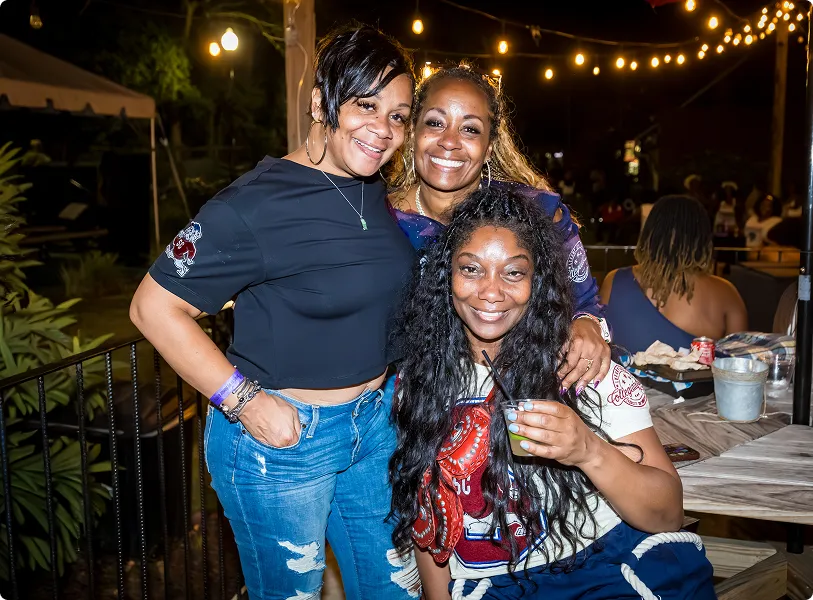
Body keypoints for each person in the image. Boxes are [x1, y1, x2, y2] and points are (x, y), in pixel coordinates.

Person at [130, 25, 420, 600]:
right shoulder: (255, 202)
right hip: (284, 443)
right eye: (367, 105)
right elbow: (151, 307)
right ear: (321, 102)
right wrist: (242, 400)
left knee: (392, 590)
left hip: (372, 430)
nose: (383, 130)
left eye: (399, 115)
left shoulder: (372, 192)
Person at [389, 187, 716, 600]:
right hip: (492, 586)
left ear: (536, 282)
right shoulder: (419, 384)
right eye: (471, 269)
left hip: (605, 573)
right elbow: (429, 522)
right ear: (446, 277)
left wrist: (587, 450)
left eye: (513, 272)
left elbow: (668, 513)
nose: (491, 292)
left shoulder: (583, 370)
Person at [387, 64, 611, 393]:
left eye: (470, 130)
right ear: (412, 133)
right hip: (404, 408)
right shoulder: (377, 221)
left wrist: (587, 325)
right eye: (435, 123)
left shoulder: (536, 217)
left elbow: (586, 301)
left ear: (489, 146)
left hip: (515, 400)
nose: (449, 142)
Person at [600, 195, 747, 355]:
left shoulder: (614, 281)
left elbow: (597, 347)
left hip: (620, 379)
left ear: (650, 233)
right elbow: (740, 367)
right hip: (703, 380)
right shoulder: (726, 293)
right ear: (703, 239)